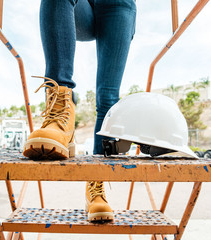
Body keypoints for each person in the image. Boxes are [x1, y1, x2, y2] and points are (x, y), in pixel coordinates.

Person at [23, 0, 136, 222]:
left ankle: (97, 187)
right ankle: (61, 116)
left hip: (119, 5)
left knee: (108, 100)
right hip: (87, 5)